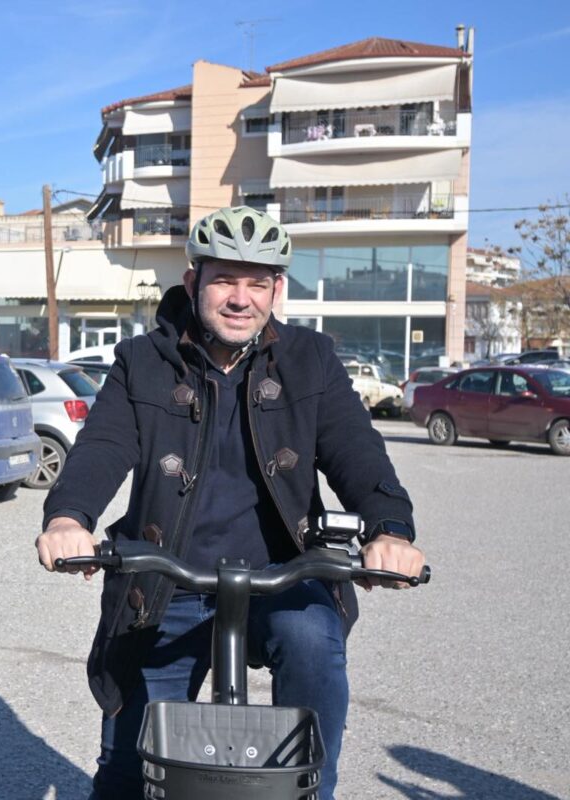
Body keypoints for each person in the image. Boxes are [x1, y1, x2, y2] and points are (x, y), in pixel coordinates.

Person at [35, 206, 426, 799]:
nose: (241, 299)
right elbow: (102, 447)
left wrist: (390, 529)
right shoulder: (143, 361)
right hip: (166, 583)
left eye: (257, 283)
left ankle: (310, 788)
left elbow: (357, 451)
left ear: (277, 290)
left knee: (313, 647)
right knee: (127, 768)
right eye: (224, 280)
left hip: (282, 577)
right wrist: (69, 518)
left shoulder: (311, 359)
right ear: (194, 282)